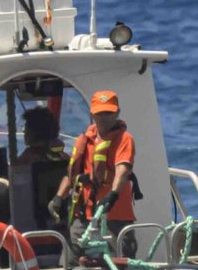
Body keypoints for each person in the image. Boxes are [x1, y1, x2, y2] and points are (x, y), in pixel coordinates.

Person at [51, 89, 137, 248]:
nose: (104, 118)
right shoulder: (85, 139)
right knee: (73, 255)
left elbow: (123, 169)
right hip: (84, 214)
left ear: (117, 113)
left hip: (114, 216)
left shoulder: (124, 139)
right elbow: (73, 175)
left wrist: (113, 194)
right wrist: (59, 197)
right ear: (92, 114)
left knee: (116, 255)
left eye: (108, 113)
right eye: (100, 113)